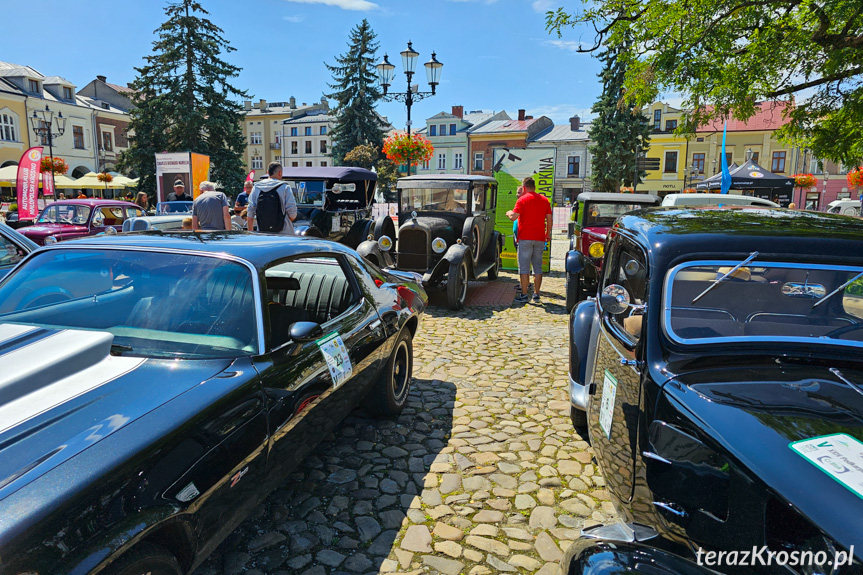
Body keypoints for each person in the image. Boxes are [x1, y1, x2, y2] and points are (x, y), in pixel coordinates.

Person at [506, 176, 552, 303]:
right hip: (539, 238)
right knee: (538, 267)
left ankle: (524, 295)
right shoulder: (544, 200)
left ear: (524, 187)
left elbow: (513, 217)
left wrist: (509, 212)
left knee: (524, 268)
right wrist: (547, 233)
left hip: (525, 238)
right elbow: (549, 219)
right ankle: (536, 294)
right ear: (535, 187)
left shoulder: (522, 200)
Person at [247, 162, 297, 235]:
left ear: (267, 172)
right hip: (284, 233)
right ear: (280, 173)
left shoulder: (256, 187)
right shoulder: (285, 187)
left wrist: (251, 233)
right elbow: (292, 213)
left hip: (263, 232)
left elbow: (250, 212)